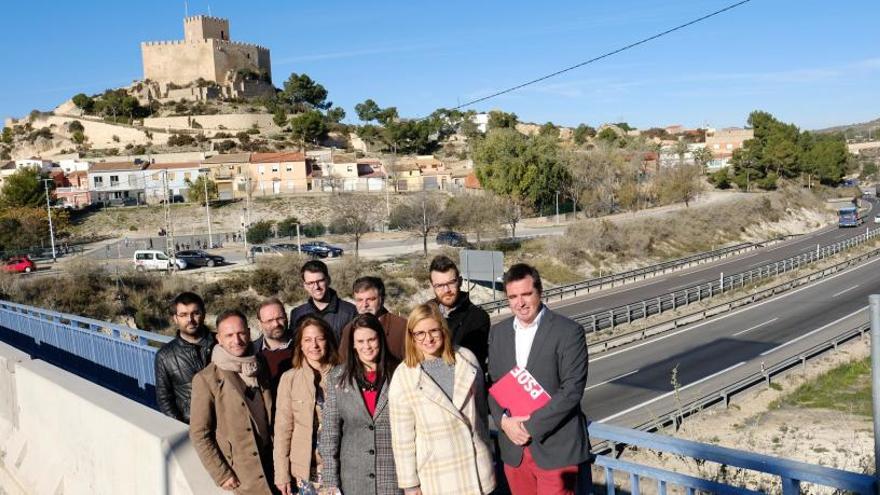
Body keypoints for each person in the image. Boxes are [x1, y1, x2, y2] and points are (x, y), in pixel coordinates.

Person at [487, 263, 591, 495]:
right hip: (514, 450)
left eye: (526, 294)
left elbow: (572, 390)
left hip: (556, 449)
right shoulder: (498, 333)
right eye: (513, 296)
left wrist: (529, 426)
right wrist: (503, 422)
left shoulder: (568, 331)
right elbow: (494, 385)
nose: (520, 303)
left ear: (540, 292)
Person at [388, 303, 495, 495]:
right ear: (411, 336)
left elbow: (481, 415)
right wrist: (410, 485)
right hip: (437, 476)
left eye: (433, 331)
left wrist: (485, 449)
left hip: (476, 470)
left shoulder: (466, 358)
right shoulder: (404, 376)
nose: (428, 338)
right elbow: (402, 439)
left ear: (443, 330)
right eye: (420, 333)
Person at [190, 310, 275, 495]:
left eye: (241, 333)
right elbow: (199, 433)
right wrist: (221, 473)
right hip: (242, 474)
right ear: (219, 339)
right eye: (229, 335)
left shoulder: (259, 364)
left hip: (272, 465)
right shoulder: (207, 379)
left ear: (249, 332)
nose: (236, 340)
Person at [320, 313, 402, 495]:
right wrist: (331, 481)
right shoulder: (338, 378)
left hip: (393, 477)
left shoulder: (401, 373)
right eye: (361, 341)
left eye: (371, 339)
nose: (367, 346)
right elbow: (330, 432)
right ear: (353, 344)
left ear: (380, 339)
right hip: (353, 479)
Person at [273, 316, 340, 495]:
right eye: (308, 340)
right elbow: (282, 430)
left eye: (319, 338)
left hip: (341, 468)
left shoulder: (344, 374)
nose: (314, 345)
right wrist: (281, 474)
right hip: (306, 472)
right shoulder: (289, 379)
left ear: (328, 341)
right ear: (300, 345)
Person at [154, 291, 214, 423]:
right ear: (175, 318)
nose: (190, 320)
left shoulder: (221, 343)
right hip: (193, 427)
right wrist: (184, 428)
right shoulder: (164, 356)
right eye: (183, 315)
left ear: (203, 314)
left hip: (228, 425)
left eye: (195, 313)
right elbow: (164, 399)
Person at [428, 255, 490, 370]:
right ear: (432, 286)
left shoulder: (478, 317)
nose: (446, 290)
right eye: (439, 285)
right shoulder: (425, 315)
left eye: (451, 282)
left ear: (460, 281)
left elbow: (471, 363)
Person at [339, 276, 407, 360]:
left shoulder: (402, 327)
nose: (365, 305)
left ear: (382, 299)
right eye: (360, 300)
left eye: (370, 299)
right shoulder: (349, 329)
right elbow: (343, 362)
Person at [289, 260, 357, 340]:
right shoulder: (297, 314)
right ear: (305, 286)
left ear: (328, 280)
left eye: (320, 281)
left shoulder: (350, 313)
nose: (316, 287)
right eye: (311, 283)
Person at [253, 297, 294, 394]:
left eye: (280, 318)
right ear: (260, 324)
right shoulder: (252, 352)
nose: (276, 324)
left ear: (286, 317)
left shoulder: (304, 345)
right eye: (269, 321)